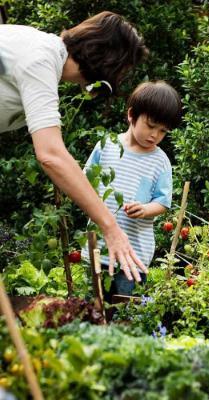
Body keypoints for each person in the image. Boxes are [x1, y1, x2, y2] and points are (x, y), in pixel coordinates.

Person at [0, 12, 149, 281]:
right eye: (121, 72)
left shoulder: (40, 49)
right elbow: (51, 155)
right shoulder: (41, 59)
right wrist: (110, 226)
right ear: (107, 60)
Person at [83, 80, 182, 295]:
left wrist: (146, 210)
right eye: (151, 125)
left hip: (133, 255)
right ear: (131, 115)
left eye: (163, 131)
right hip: (98, 248)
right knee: (91, 308)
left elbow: (163, 202)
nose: (155, 135)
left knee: (124, 313)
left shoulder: (160, 161)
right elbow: (84, 183)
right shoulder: (107, 145)